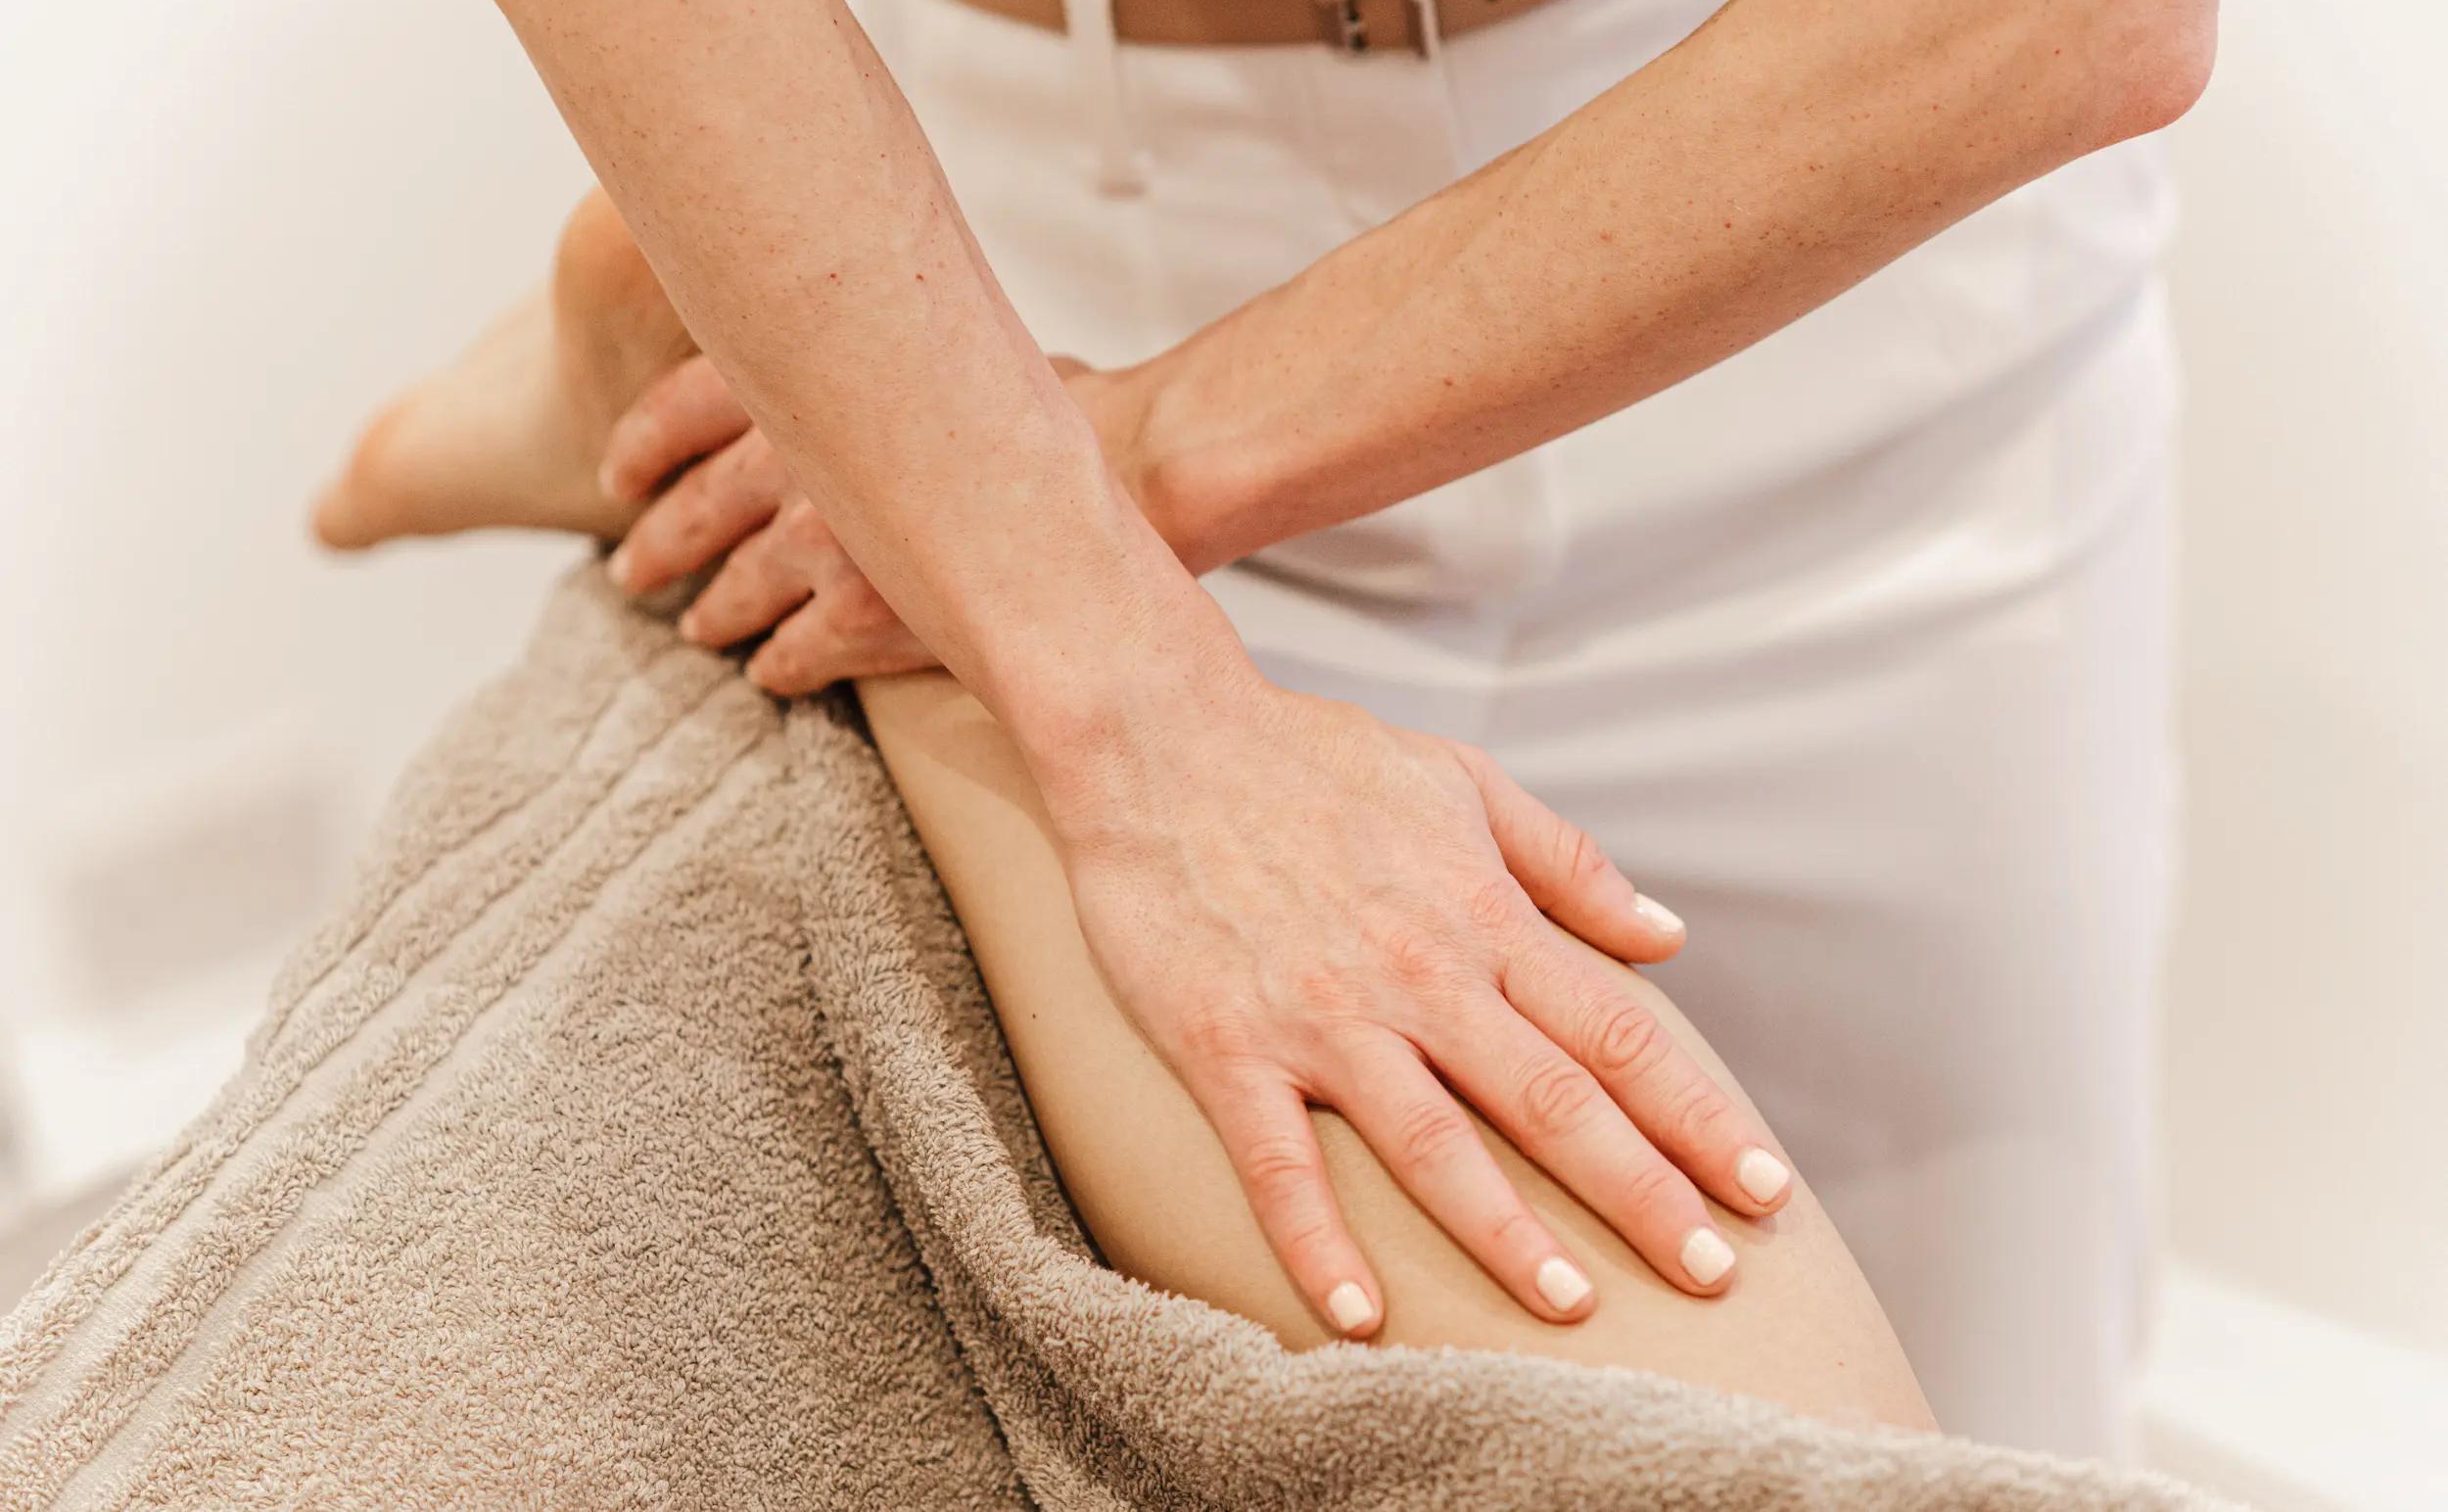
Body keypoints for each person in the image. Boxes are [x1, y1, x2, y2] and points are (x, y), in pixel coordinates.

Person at [329, 0, 2242, 1455]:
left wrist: (1095, 482)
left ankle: (640, 368)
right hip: (999, 267)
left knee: (1994, 1421)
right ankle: (658, 360)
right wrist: (1117, 686)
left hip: (1810, 262)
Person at [327, 185, 1936, 1433]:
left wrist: (1065, 475)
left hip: (1832, 354)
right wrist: (1047, 591)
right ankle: (729, 400)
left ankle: (692, 399)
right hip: (1026, 234)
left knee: (2018, 1347)